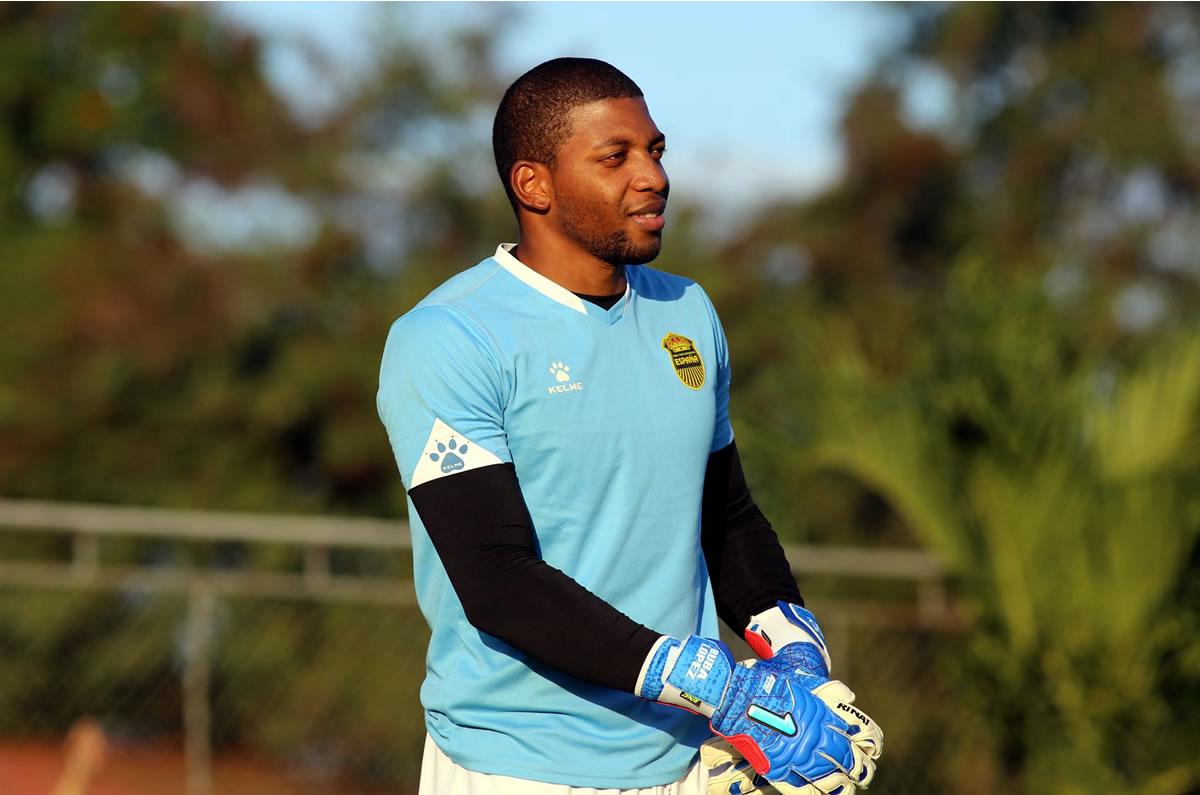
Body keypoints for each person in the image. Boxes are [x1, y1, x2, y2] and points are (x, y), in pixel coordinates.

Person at [377, 58, 882, 795]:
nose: (652, 176)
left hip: (682, 762)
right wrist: (712, 683)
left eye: (655, 150)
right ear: (534, 184)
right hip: (516, 767)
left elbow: (724, 513)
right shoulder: (449, 335)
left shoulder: (689, 312)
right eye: (615, 157)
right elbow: (496, 578)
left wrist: (789, 642)